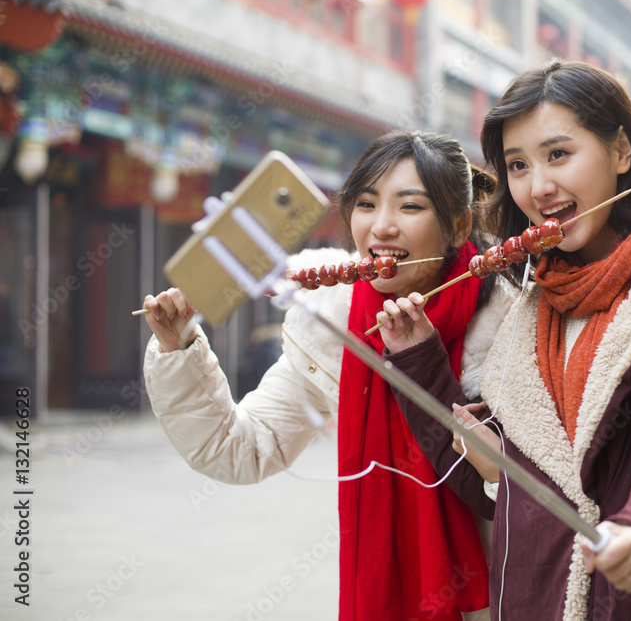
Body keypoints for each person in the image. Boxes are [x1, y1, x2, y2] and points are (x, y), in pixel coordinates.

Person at [376, 60, 631, 620]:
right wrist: (419, 360)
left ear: (621, 152)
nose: (539, 186)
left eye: (559, 154)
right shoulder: (532, 311)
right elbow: (496, 488)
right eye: (518, 165)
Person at [142, 131, 511, 621]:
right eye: (365, 203)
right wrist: (179, 347)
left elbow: (511, 489)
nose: (381, 227)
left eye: (410, 207)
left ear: (458, 225)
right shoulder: (330, 320)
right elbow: (240, 449)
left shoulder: (510, 324)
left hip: (500, 598)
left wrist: (422, 361)